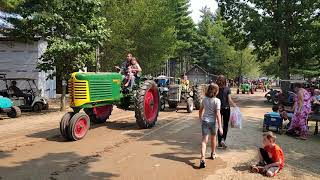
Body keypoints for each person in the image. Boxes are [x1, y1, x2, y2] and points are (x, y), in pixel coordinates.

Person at [198, 84, 223, 168]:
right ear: (216, 91)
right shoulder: (217, 101)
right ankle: (213, 154)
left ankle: (202, 159)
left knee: (204, 141)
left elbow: (201, 110)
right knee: (213, 139)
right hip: (213, 122)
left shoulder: (204, 99)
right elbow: (218, 114)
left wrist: (200, 118)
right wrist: (220, 126)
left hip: (205, 121)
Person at [216, 75, 237, 149]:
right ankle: (223, 140)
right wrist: (235, 106)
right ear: (225, 81)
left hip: (218, 109)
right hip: (226, 109)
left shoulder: (216, 89)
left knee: (219, 125)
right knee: (225, 125)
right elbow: (229, 100)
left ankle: (219, 143)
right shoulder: (227, 89)